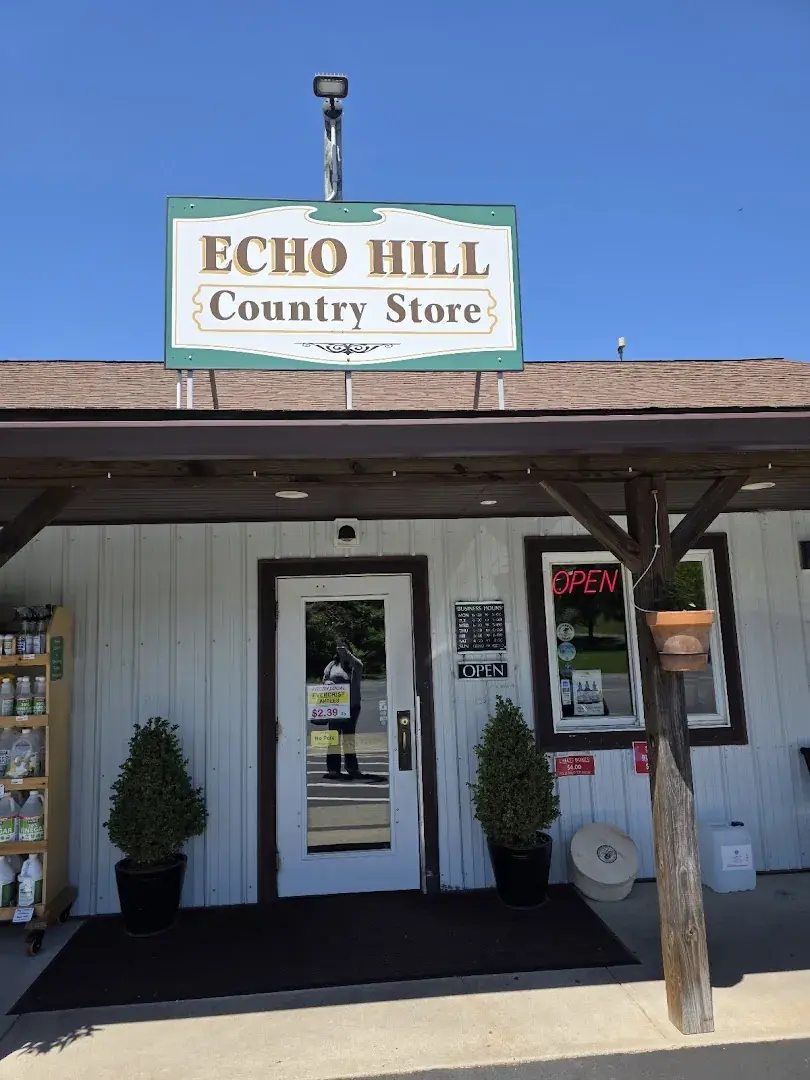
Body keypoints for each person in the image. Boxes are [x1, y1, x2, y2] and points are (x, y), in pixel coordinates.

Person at [322, 642, 382, 781]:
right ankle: (333, 769)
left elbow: (360, 665)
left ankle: (352, 768)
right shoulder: (332, 665)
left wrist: (348, 655)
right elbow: (325, 678)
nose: (340, 650)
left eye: (344, 647)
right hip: (335, 706)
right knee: (333, 738)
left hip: (351, 706)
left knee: (348, 737)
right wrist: (327, 683)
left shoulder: (354, 664)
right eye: (338, 648)